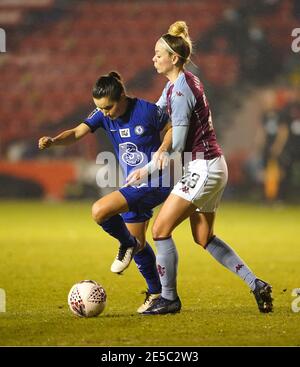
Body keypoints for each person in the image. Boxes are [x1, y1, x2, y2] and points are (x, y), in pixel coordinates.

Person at [127, 21, 273, 314]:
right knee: (204, 237)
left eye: (158, 54)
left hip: (203, 167)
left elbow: (178, 146)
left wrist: (147, 170)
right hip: (214, 166)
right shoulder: (177, 85)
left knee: (160, 229)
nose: (153, 58)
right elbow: (153, 113)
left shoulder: (180, 92)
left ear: (174, 59)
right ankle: (256, 284)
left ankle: (169, 298)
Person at [38, 71, 173, 313]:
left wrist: (163, 148)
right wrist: (55, 141)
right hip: (134, 184)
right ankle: (156, 294)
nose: (105, 112)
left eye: (108, 107)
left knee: (100, 211)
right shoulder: (102, 114)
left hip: (158, 181)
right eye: (99, 108)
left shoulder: (147, 110)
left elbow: (173, 127)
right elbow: (77, 132)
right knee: (140, 245)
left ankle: (125, 244)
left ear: (122, 96)